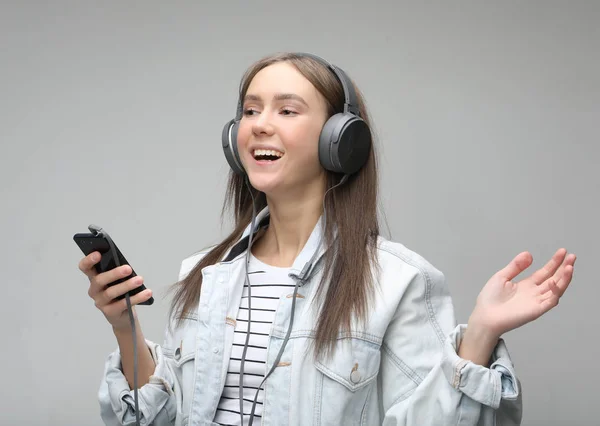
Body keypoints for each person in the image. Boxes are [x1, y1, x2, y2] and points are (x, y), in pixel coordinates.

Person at [78, 52, 576, 426]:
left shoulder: (397, 282)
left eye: (287, 111)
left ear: (339, 138)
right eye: (250, 112)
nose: (260, 126)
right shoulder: (205, 276)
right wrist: (125, 328)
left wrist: (480, 336)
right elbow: (156, 418)